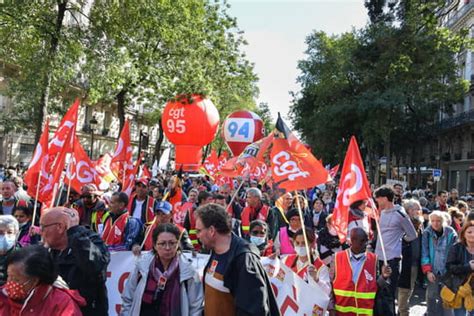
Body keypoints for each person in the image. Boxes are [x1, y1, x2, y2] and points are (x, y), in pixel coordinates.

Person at [195, 203, 279, 315]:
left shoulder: (244, 260)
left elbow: (254, 310)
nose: (197, 236)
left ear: (211, 231)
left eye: (199, 230)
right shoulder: (215, 250)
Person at [121, 223, 203, 315]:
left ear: (178, 244)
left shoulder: (188, 271)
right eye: (162, 243)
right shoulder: (142, 266)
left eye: (172, 243)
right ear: (155, 245)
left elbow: (196, 307)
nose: (167, 248)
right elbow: (127, 299)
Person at [40, 207, 110, 316]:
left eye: (43, 227)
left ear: (60, 227)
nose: (41, 231)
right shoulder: (48, 249)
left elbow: (94, 266)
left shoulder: (90, 241)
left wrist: (74, 232)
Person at [0, 245, 85, 315]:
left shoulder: (62, 303)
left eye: (16, 279)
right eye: (9, 276)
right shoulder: (3, 296)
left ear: (34, 281)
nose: (9, 283)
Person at [374, 185, 417, 314]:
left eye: (378, 198)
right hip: (378, 257)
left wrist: (400, 241)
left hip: (392, 259)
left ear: (385, 198)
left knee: (389, 294)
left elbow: (412, 234)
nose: (376, 201)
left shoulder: (400, 214)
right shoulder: (380, 212)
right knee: (378, 291)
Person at [332, 227, 392, 315]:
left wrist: (384, 277)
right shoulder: (337, 258)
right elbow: (329, 286)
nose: (367, 244)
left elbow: (376, 287)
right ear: (353, 241)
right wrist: (331, 308)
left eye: (367, 240)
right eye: (363, 241)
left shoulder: (374, 259)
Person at [421, 210, 457, 316]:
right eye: (433, 221)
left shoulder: (450, 232)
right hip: (433, 269)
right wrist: (427, 271)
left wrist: (452, 271)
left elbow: (454, 252)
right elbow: (424, 252)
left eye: (438, 221)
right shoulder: (427, 232)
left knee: (447, 298)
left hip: (447, 270)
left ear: (443, 221)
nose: (435, 223)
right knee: (431, 297)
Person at [282, 227, 331, 295]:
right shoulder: (286, 260)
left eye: (304, 243)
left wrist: (316, 280)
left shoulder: (320, 267)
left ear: (311, 244)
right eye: (297, 243)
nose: (300, 246)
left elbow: (327, 292)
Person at [398, 199, 424, 316]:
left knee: (409, 290)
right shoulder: (402, 223)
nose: (420, 211)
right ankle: (403, 313)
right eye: (417, 209)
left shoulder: (419, 224)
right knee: (404, 290)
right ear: (409, 210)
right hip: (404, 262)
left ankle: (401, 311)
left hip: (416, 263)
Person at [446, 220, 474, 316]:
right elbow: (450, 267)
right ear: (464, 234)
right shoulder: (456, 248)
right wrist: (468, 267)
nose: (472, 235)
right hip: (460, 289)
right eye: (469, 232)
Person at [0, 215, 20, 286]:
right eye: (0, 232)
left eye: (9, 232)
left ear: (16, 234)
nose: (5, 236)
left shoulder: (21, 256)